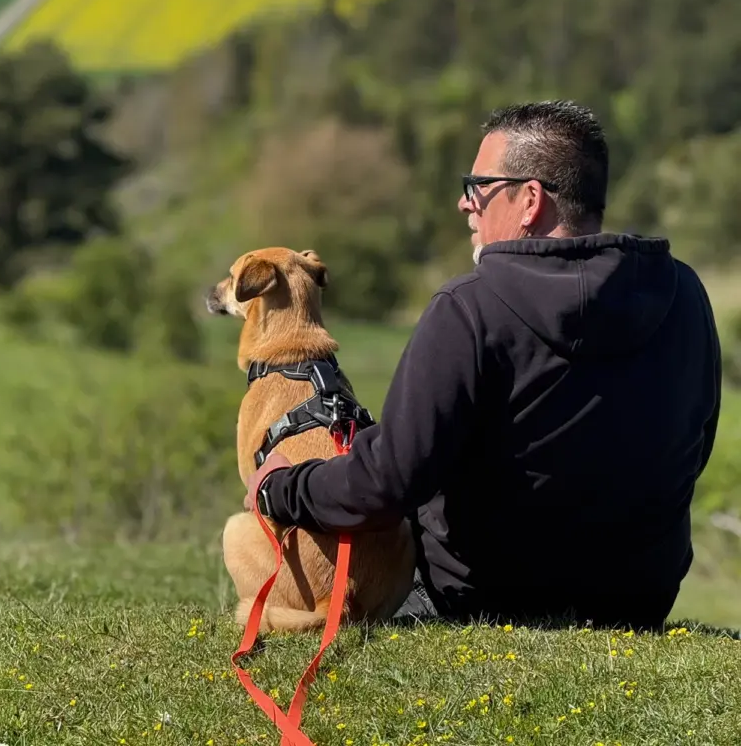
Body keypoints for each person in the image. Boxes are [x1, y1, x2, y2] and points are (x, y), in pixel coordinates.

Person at [244, 100, 722, 631]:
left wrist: (281, 487)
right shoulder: (684, 293)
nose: (464, 203)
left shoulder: (468, 308)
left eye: (478, 186)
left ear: (530, 200)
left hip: (484, 599)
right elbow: (696, 447)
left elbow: (387, 485)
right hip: (641, 601)